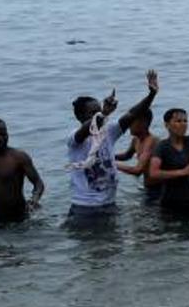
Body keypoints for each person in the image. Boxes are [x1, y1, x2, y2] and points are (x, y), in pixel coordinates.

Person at [65, 70, 159, 223]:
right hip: (85, 208)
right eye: (93, 112)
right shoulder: (75, 138)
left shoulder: (109, 131)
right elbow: (86, 129)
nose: (98, 115)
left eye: (99, 110)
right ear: (80, 117)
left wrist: (151, 95)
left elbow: (132, 114)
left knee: (113, 246)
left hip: (109, 204)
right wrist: (103, 113)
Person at [115, 107, 161, 203]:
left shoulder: (151, 142)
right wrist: (107, 155)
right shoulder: (136, 139)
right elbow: (127, 155)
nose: (128, 125)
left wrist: (112, 164)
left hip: (160, 190)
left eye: (131, 122)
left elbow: (138, 170)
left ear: (144, 123)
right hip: (149, 188)